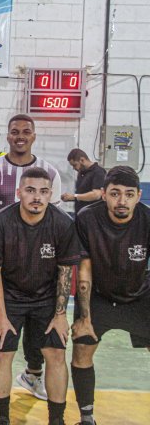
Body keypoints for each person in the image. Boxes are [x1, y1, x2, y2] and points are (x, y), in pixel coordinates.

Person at [0, 167, 82, 425]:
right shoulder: (0, 222)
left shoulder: (63, 224)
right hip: (9, 297)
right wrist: (1, 316)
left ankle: (56, 420)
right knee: (2, 354)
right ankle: (1, 418)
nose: (37, 197)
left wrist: (60, 315)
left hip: (46, 299)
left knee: (56, 354)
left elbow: (65, 272)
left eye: (43, 191)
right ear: (19, 193)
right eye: (30, 190)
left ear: (50, 194)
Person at [0, 114, 61, 400]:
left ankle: (33, 374)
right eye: (15, 131)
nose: (20, 136)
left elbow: (55, 217)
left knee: (39, 322)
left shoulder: (50, 172)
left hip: (38, 261)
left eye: (26, 131)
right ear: (7, 136)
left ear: (34, 136)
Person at [71, 166, 150, 425]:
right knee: (81, 348)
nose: (122, 201)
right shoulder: (87, 218)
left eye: (129, 194)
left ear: (138, 196)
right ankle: (87, 417)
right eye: (115, 194)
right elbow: (84, 270)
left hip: (139, 294)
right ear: (103, 194)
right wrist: (84, 317)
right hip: (99, 295)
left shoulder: (147, 219)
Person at [61, 149, 106, 215]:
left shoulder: (98, 172)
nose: (74, 168)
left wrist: (74, 197)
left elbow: (96, 195)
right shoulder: (81, 173)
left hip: (93, 215)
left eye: (75, 165)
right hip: (80, 214)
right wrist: (70, 198)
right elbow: (82, 195)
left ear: (82, 160)